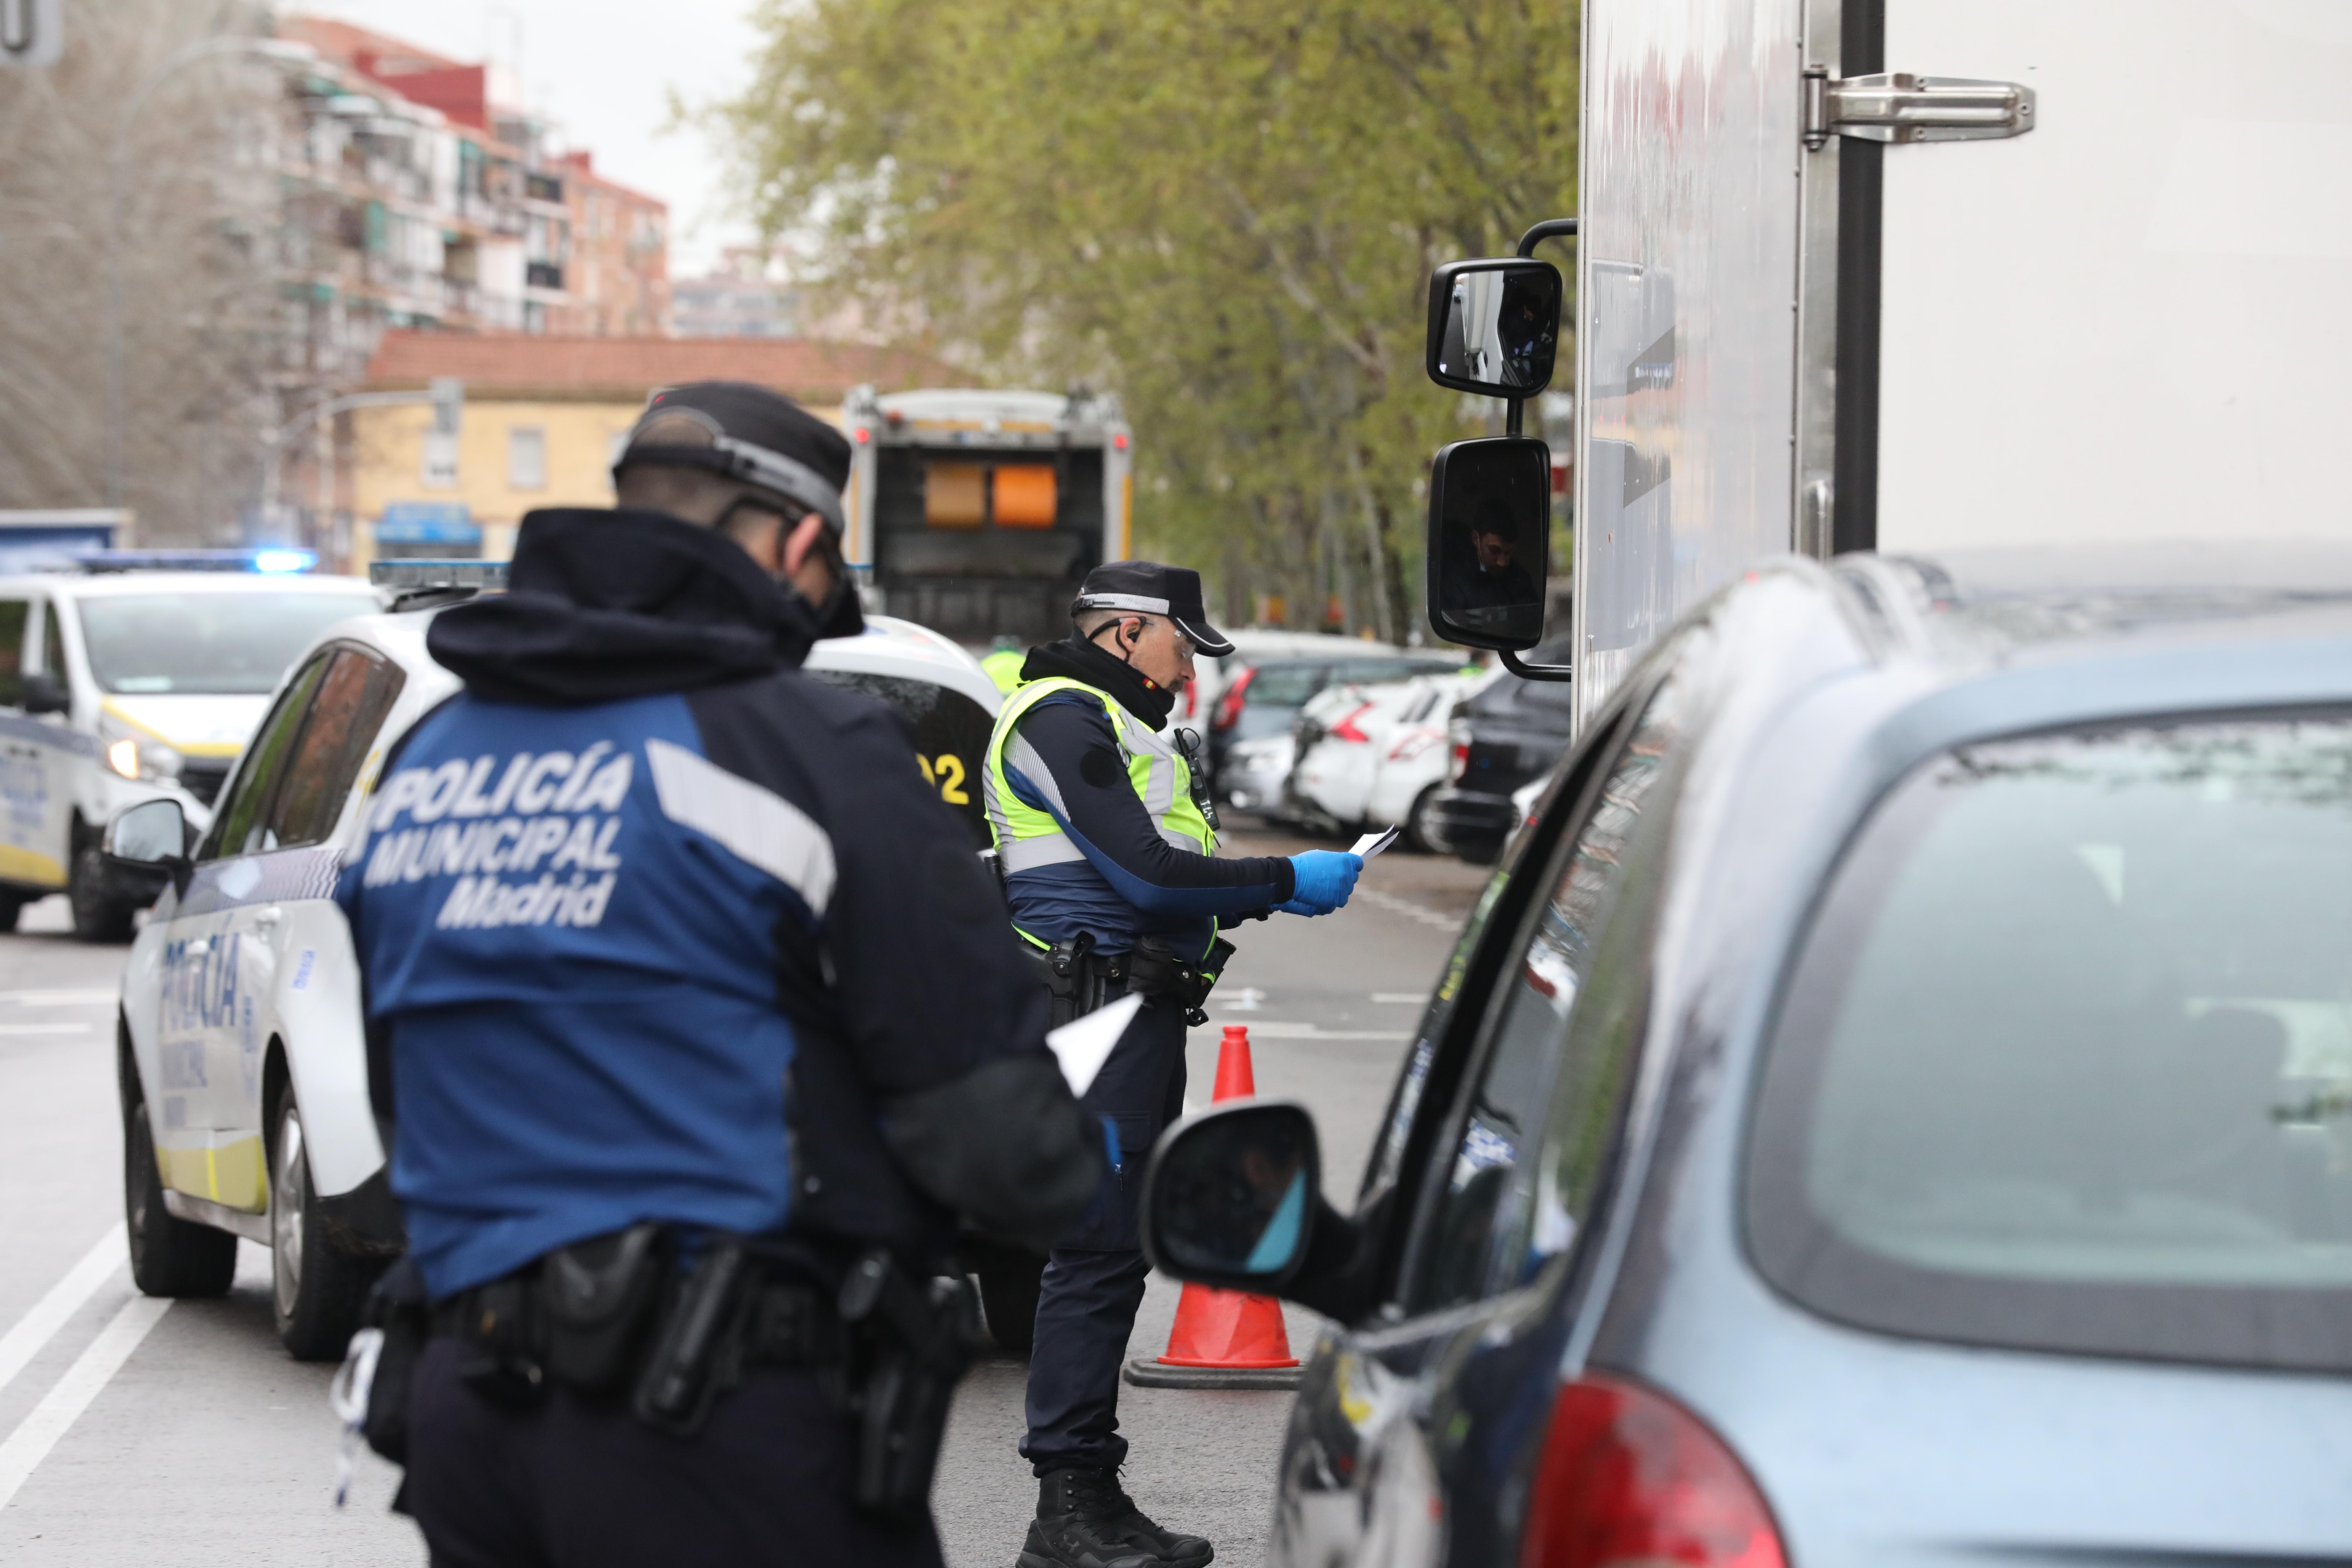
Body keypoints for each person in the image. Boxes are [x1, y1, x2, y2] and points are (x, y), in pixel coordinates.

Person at [336, 381, 1107, 1568]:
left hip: (466, 1416)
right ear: (799, 542)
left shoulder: (429, 766)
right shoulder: (803, 749)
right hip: (713, 1424)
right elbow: (1000, 1145)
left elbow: (407, 1085)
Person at [981, 561, 1363, 1568]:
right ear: (1122, 636)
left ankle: (1089, 1499)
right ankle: (1068, 1510)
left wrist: (1255, 890)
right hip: (1094, 1014)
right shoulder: (1060, 721)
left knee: (1112, 1253)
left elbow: (1167, 875)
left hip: (1129, 1011)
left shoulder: (1114, 726)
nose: (1190, 668)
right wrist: (1289, 878)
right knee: (1096, 1252)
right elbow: (1146, 877)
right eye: (1180, 645)